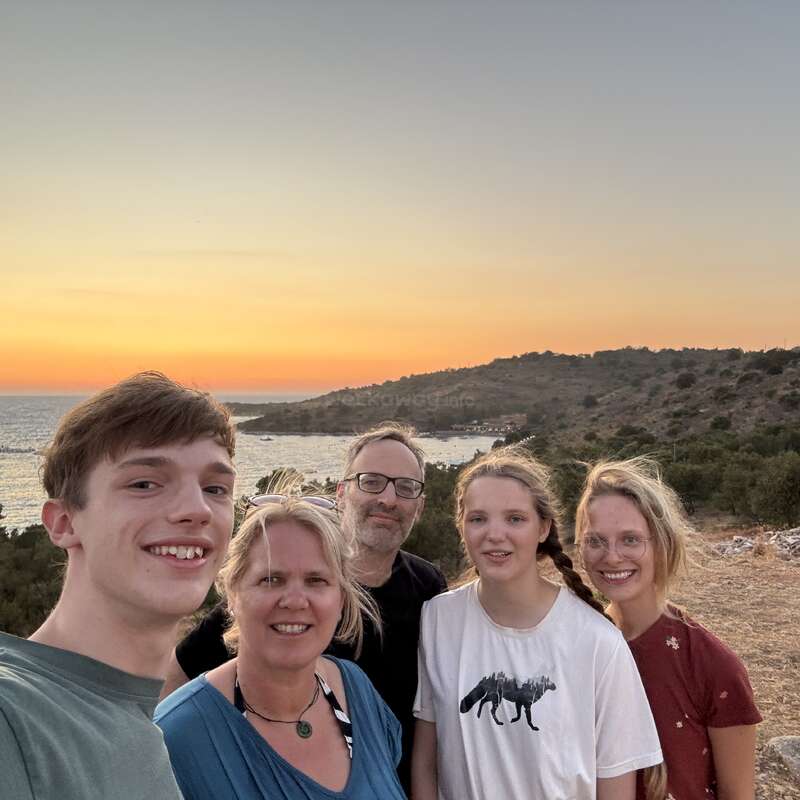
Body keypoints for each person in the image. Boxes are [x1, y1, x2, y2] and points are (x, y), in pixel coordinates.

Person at [160, 422, 447, 791]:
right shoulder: (266, 602)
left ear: (419, 506)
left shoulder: (429, 585)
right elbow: (177, 686)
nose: (388, 500)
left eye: (405, 487)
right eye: (371, 481)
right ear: (342, 493)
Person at [0, 372, 237, 799]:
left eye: (215, 488)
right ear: (65, 522)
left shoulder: (139, 723)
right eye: (144, 483)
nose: (197, 509)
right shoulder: (14, 718)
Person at [412, 446, 662, 800]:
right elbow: (427, 760)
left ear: (543, 527)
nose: (495, 534)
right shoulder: (438, 619)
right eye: (478, 518)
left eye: (515, 518)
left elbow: (616, 785)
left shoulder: (597, 641)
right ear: (461, 525)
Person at [155, 494, 407, 799]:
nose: (295, 601)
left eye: (316, 580)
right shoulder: (176, 739)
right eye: (272, 579)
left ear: (340, 599)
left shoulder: (355, 689)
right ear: (233, 595)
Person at [575, 457, 761, 800]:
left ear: (662, 544)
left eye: (630, 539)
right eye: (596, 540)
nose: (612, 557)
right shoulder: (576, 647)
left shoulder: (713, 666)